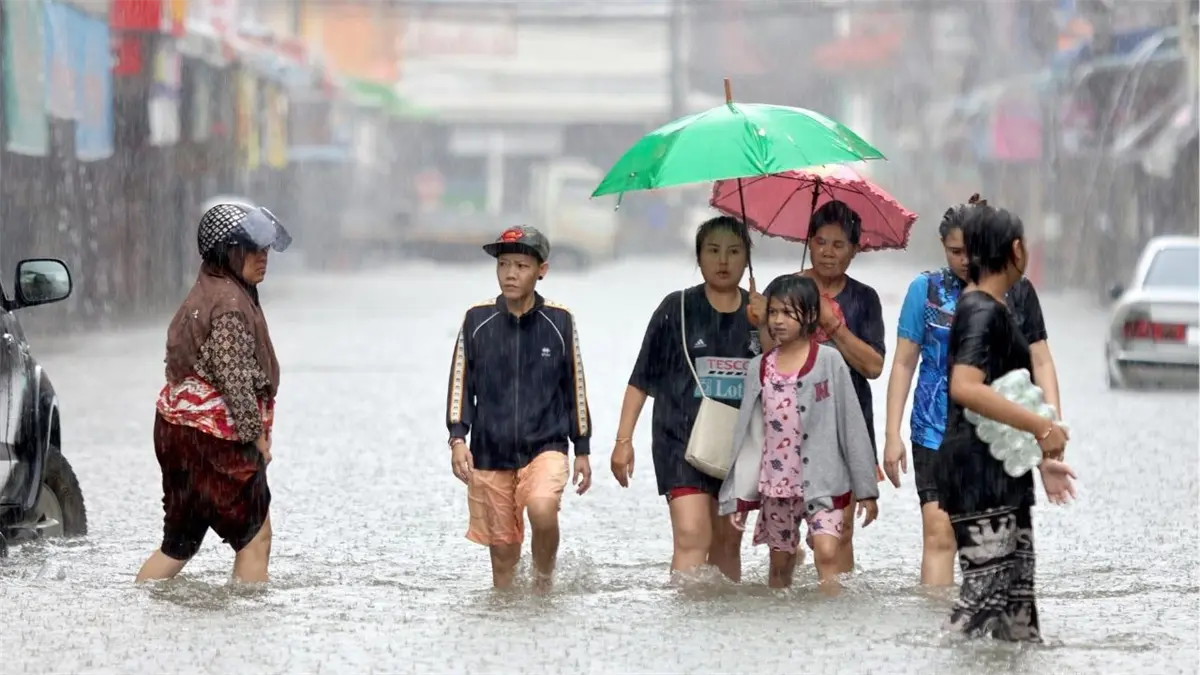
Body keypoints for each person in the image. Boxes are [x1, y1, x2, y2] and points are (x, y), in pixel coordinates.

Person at [882, 194, 1064, 587]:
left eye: (973, 251)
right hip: (934, 427)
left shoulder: (1017, 291)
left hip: (1001, 430)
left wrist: (1052, 425)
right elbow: (903, 362)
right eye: (955, 252)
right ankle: (938, 615)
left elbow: (1042, 361)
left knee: (994, 538)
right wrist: (891, 434)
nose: (965, 261)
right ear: (942, 246)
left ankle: (983, 611)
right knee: (939, 533)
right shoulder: (925, 291)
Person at [936, 204, 1076, 641]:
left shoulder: (995, 306)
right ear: (1016, 250)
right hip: (978, 475)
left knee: (1017, 613)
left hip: (1002, 470)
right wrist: (1040, 427)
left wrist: (1043, 457)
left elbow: (1009, 393)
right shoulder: (981, 310)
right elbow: (966, 387)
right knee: (980, 604)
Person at [136, 203, 291, 583]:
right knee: (255, 539)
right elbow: (234, 379)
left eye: (266, 248)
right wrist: (257, 440)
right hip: (215, 442)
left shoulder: (207, 291)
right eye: (252, 248)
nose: (263, 256)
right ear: (226, 253)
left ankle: (137, 602)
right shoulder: (230, 305)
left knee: (178, 544)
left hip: (177, 433)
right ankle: (248, 617)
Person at [610, 215, 762, 581]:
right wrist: (623, 441)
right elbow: (640, 380)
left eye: (734, 252)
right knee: (693, 534)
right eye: (713, 251)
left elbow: (786, 376)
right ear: (698, 257)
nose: (723, 261)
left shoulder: (763, 313)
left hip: (740, 445)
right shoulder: (675, 309)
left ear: (747, 259)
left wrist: (766, 324)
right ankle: (684, 610)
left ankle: (724, 614)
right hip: (679, 439)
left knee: (727, 542)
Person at [445, 225, 592, 591]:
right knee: (503, 567)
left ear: (542, 270)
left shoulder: (559, 320)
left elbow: (575, 385)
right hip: (490, 450)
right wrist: (458, 439)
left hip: (546, 443)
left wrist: (582, 448)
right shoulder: (477, 319)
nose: (510, 274)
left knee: (542, 509)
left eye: (521, 266)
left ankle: (544, 583)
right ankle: (508, 617)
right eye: (504, 264)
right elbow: (460, 383)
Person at [718, 275, 879, 589]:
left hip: (823, 480)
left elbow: (851, 423)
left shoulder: (830, 361)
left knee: (827, 551)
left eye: (788, 313)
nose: (778, 321)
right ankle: (781, 616)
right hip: (777, 483)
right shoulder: (759, 367)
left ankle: (830, 614)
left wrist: (866, 489)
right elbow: (747, 436)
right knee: (780, 565)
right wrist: (737, 496)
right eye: (773, 312)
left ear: (810, 315)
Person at [798, 200, 886, 573]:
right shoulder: (788, 289)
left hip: (846, 426)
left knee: (840, 533)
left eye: (838, 245)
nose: (828, 252)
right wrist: (762, 317)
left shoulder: (864, 299)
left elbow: (874, 366)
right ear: (809, 242)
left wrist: (832, 324)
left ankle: (836, 600)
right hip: (792, 425)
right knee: (783, 537)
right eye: (820, 242)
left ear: (854, 250)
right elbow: (765, 358)